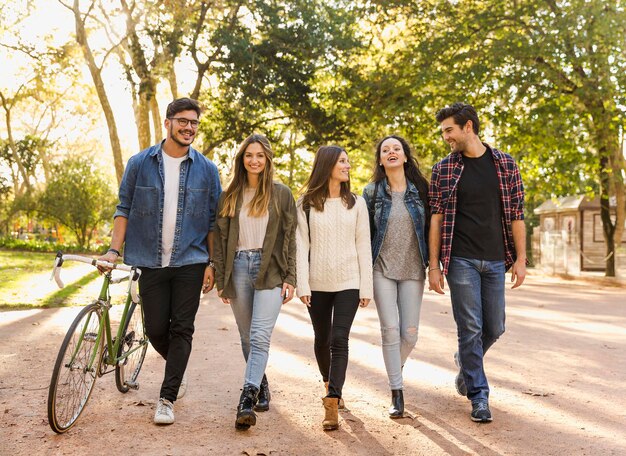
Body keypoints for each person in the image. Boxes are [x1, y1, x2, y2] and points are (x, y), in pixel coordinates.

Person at [99, 98, 221, 425]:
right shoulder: (139, 163)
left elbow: (212, 221)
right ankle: (177, 373)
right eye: (183, 121)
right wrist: (113, 250)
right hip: (150, 262)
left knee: (182, 328)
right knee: (155, 329)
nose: (189, 128)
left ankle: (166, 397)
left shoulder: (207, 170)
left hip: (190, 263)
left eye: (194, 122)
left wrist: (211, 263)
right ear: (167, 123)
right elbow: (123, 208)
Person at [428, 102, 526, 423]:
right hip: (461, 260)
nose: (445, 137)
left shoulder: (506, 165)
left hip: (496, 259)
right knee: (470, 327)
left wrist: (522, 258)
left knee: (495, 325)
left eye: (449, 130)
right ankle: (479, 396)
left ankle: (467, 363)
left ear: (468, 127)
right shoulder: (444, 169)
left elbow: (516, 216)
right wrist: (434, 264)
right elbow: (437, 219)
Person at [213, 133, 297, 430]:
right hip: (237, 266)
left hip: (270, 268)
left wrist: (291, 276)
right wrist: (223, 278)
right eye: (249, 155)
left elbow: (290, 238)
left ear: (268, 159)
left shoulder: (281, 194)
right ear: (242, 159)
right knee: (247, 336)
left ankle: (246, 398)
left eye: (260, 155)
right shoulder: (229, 196)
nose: (254, 160)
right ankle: (260, 383)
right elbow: (220, 242)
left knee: (260, 335)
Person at [296, 145, 373, 431]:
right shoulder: (305, 203)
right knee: (322, 339)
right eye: (342, 161)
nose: (347, 165)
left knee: (340, 338)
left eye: (347, 161)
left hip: (349, 282)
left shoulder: (356, 203)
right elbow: (300, 246)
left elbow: (363, 245)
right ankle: (330, 382)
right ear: (327, 165)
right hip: (317, 283)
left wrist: (366, 285)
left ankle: (332, 399)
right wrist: (303, 282)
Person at [362, 135, 429, 419]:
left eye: (396, 149)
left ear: (405, 156)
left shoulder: (422, 190)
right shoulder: (371, 192)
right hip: (382, 268)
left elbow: (432, 230)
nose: (391, 152)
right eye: (385, 150)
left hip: (414, 269)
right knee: (390, 331)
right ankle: (396, 391)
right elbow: (363, 237)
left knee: (410, 335)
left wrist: (435, 264)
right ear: (380, 159)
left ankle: (394, 367)